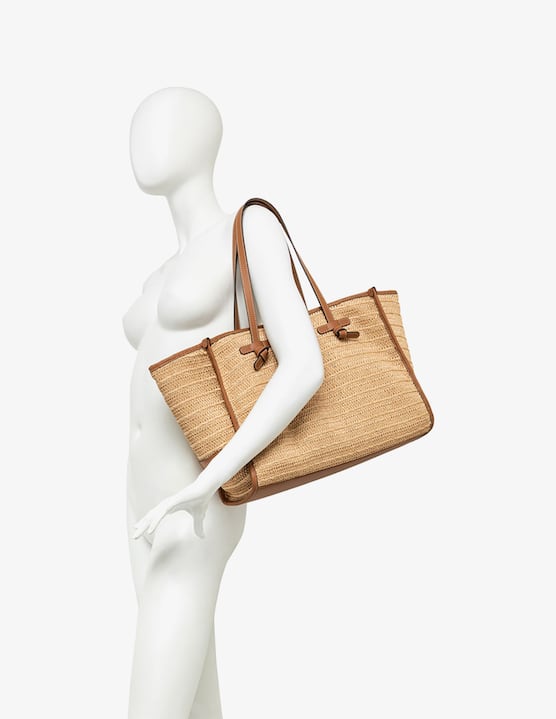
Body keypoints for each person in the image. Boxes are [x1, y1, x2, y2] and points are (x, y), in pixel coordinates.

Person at [122, 86, 324, 718]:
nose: (142, 138)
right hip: (142, 503)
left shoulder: (248, 226)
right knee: (192, 702)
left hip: (196, 503)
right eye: (137, 125)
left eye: (163, 123)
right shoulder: (161, 272)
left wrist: (209, 482)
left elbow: (304, 365)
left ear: (204, 138)